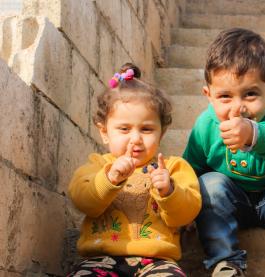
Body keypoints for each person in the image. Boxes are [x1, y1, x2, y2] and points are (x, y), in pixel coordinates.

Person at [183, 28, 265, 277]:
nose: (238, 108)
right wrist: (185, 208)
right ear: (208, 96)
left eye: (250, 94)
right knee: (208, 183)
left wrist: (254, 134)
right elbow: (191, 166)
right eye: (225, 96)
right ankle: (225, 262)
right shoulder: (206, 126)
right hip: (233, 202)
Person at [67, 63, 201, 277]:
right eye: (124, 129)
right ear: (104, 132)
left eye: (147, 129)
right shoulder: (98, 165)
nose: (136, 138)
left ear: (161, 133)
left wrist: (170, 190)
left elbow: (186, 214)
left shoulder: (174, 167)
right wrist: (109, 178)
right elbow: (83, 201)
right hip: (100, 260)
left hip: (157, 261)